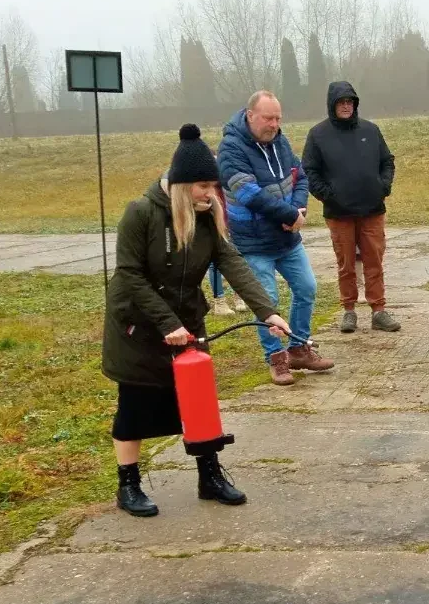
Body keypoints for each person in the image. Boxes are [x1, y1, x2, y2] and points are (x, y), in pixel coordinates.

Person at [102, 124, 291, 518]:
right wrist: (166, 322)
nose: (211, 193)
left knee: (198, 403)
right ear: (182, 185)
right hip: (139, 325)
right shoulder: (140, 213)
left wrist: (267, 311)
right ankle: (128, 484)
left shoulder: (207, 217)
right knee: (135, 407)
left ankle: (210, 477)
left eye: (213, 185)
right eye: (204, 185)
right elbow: (129, 274)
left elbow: (230, 261)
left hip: (186, 323)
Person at [218, 91, 333, 386]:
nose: (274, 124)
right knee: (267, 301)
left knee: (307, 288)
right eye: (268, 118)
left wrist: (297, 209)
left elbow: (300, 176)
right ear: (250, 115)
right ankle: (276, 358)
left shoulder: (280, 141)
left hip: (287, 239)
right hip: (254, 243)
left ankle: (298, 348)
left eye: (278, 118)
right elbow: (249, 194)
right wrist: (288, 215)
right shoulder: (231, 149)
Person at [302, 80, 401, 333]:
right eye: (341, 102)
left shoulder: (371, 130)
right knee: (346, 264)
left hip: (372, 209)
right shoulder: (318, 135)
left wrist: (383, 187)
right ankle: (349, 310)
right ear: (332, 105)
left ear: (355, 104)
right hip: (339, 213)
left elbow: (387, 161)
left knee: (374, 261)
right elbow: (310, 171)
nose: (346, 106)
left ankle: (378, 310)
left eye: (350, 102)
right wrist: (328, 195)